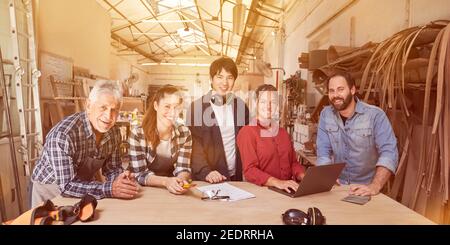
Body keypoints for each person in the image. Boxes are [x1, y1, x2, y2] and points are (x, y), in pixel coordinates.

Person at [31, 80, 139, 208]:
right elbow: (66, 187)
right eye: (103, 107)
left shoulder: (114, 132)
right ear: (88, 105)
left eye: (114, 110)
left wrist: (121, 180)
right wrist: (110, 189)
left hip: (81, 188)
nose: (108, 116)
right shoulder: (63, 135)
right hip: (50, 191)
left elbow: (113, 168)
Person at [316, 71, 398, 196]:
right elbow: (323, 150)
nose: (335, 95)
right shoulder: (326, 114)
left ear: (352, 90)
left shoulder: (375, 115)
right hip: (339, 187)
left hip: (367, 188)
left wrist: (375, 186)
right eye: (331, 91)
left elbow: (389, 152)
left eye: (340, 89)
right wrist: (326, 177)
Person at [187, 57, 249, 183]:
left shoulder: (240, 107)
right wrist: (206, 172)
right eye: (220, 77)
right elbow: (194, 145)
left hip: (235, 177)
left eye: (230, 77)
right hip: (208, 178)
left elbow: (246, 141)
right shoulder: (197, 108)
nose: (225, 82)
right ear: (211, 79)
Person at [237, 84, 305, 193]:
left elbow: (293, 163)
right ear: (256, 103)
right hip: (263, 193)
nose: (268, 106)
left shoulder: (283, 133)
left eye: (272, 102)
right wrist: (277, 182)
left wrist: (303, 176)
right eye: (263, 102)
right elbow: (250, 170)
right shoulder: (247, 132)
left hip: (287, 191)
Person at [129, 85, 192, 195]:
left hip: (169, 188)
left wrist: (180, 181)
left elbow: (183, 168)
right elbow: (140, 174)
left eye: (176, 107)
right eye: (167, 106)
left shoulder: (184, 133)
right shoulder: (138, 134)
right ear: (156, 106)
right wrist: (166, 181)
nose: (172, 112)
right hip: (142, 189)